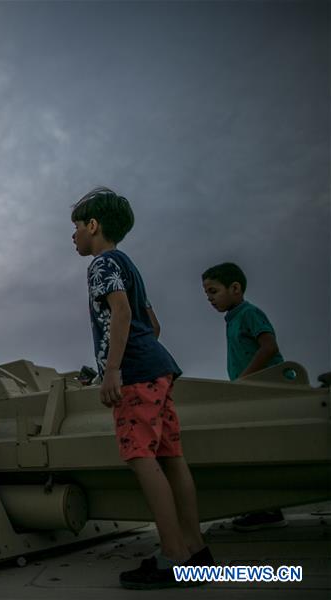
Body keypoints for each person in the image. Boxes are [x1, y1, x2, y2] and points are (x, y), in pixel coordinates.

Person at [71, 187, 211, 589]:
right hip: (159, 368)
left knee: (141, 457)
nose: (73, 235)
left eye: (76, 227)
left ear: (93, 226)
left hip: (134, 373)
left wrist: (112, 369)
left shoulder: (101, 264)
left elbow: (122, 311)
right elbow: (153, 324)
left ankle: (174, 557)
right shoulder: (128, 264)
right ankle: (196, 549)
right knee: (171, 456)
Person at [202, 262, 287, 531]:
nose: (210, 299)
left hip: (268, 391)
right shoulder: (232, 319)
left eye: (213, 291)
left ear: (235, 288)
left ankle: (269, 509)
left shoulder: (250, 313)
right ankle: (266, 507)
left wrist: (244, 380)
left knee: (261, 449)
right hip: (250, 394)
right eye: (207, 294)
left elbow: (269, 346)